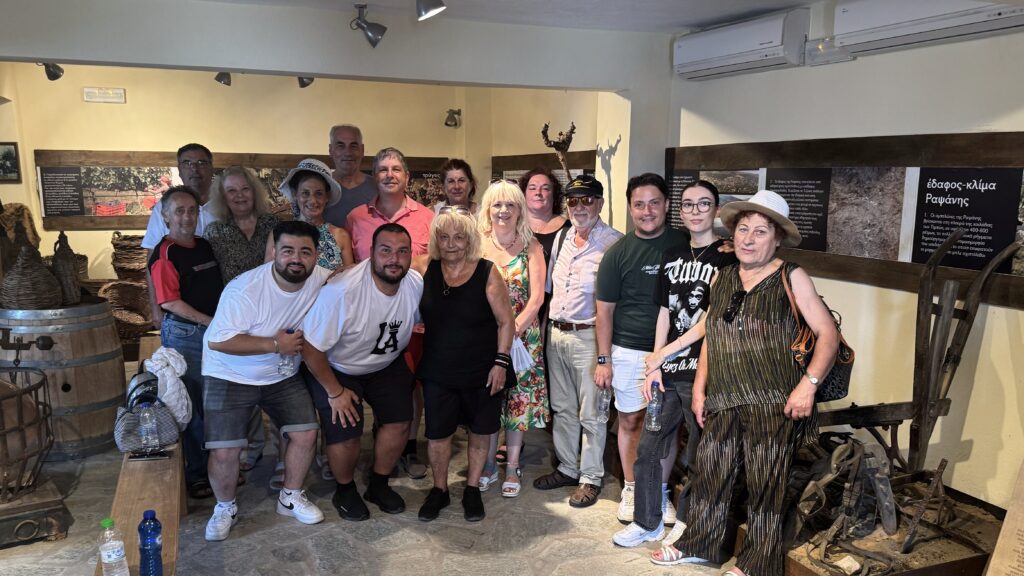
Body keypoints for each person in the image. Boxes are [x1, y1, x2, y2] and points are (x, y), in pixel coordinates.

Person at [652, 190, 839, 576]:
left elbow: (828, 334)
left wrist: (808, 385)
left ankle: (757, 563)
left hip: (774, 401)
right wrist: (700, 388)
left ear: (777, 238)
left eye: (760, 232)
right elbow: (714, 335)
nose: (748, 239)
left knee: (766, 484)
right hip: (724, 397)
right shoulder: (723, 277)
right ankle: (699, 543)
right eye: (743, 229)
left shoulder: (791, 276)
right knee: (710, 472)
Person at [613, 180, 737, 547]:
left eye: (704, 204)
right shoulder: (672, 254)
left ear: (716, 210)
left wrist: (665, 353)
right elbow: (664, 312)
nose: (696, 211)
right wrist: (655, 363)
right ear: (679, 211)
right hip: (667, 371)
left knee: (698, 452)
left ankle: (686, 523)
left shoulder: (728, 258)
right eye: (688, 204)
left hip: (703, 371)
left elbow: (711, 320)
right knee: (649, 448)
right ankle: (647, 521)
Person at [201, 220, 330, 542]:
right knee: (225, 450)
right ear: (273, 252)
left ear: (316, 256)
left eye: (305, 252)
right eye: (287, 251)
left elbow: (350, 276)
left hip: (280, 374)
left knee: (305, 432)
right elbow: (218, 340)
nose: (296, 259)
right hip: (228, 372)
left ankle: (291, 496)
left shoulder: (321, 278)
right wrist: (274, 344)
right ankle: (224, 507)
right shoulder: (245, 289)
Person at [301, 223, 423, 520]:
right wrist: (335, 392)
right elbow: (311, 349)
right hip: (338, 367)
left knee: (400, 421)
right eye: (386, 250)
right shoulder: (342, 291)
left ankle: (378, 484)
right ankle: (345, 489)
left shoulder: (414, 282)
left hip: (385, 363)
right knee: (346, 432)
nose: (394, 259)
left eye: (402, 251)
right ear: (371, 253)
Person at [595, 173, 687, 525]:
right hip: (630, 350)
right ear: (631, 208)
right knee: (631, 421)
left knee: (665, 426)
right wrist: (603, 360)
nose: (647, 211)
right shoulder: (618, 254)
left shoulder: (684, 244)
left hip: (675, 351)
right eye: (639, 205)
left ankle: (658, 491)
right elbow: (604, 312)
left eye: (654, 203)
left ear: (666, 205)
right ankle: (633, 488)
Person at [413, 208, 515, 523]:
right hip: (438, 368)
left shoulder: (487, 271)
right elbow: (385, 269)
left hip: (482, 369)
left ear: (470, 240)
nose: (451, 244)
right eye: (444, 237)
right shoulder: (423, 267)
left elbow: (506, 321)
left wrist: (501, 362)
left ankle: (472, 488)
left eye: (458, 237)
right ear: (436, 240)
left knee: (480, 431)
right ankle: (439, 489)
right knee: (437, 433)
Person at [532, 175, 622, 508]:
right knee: (562, 408)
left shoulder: (614, 243)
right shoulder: (563, 238)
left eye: (587, 200)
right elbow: (550, 293)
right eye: (573, 201)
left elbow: (618, 304)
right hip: (557, 334)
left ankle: (590, 477)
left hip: (589, 337)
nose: (579, 207)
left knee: (592, 412)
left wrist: (605, 355)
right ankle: (568, 467)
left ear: (600, 203)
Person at [146, 185, 224, 500]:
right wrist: (209, 322)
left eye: (192, 210)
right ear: (165, 216)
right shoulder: (165, 253)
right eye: (179, 211)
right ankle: (197, 474)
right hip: (186, 335)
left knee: (214, 404)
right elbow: (169, 302)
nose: (187, 217)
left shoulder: (204, 246)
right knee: (191, 407)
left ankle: (218, 468)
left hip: (211, 332)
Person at [477, 180, 548, 498]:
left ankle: (513, 466)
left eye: (510, 205)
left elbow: (537, 298)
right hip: (485, 337)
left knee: (518, 403)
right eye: (497, 204)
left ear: (520, 210)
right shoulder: (478, 245)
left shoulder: (531, 246)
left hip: (522, 339)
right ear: (487, 209)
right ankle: (488, 463)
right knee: (488, 401)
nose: (503, 210)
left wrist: (513, 328)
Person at [143, 143, 216, 328]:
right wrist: (155, 307)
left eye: (201, 162)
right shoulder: (163, 208)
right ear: (179, 169)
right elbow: (152, 260)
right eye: (187, 163)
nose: (194, 168)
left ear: (211, 167)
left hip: (218, 312)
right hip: (183, 321)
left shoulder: (226, 204)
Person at [346, 147, 435, 262]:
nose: (390, 175)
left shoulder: (429, 218)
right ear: (375, 177)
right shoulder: (355, 218)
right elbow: (348, 267)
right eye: (383, 170)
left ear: (407, 177)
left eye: (396, 169)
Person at [272, 158, 354, 270]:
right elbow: (269, 276)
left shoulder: (340, 236)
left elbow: (350, 278)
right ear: (295, 194)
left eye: (319, 193)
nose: (312, 201)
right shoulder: (278, 234)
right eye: (305, 193)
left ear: (327, 197)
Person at [204, 166, 280, 282]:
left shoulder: (274, 224)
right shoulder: (214, 231)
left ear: (254, 192)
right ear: (223, 197)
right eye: (231, 190)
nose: (240, 195)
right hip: (232, 293)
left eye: (245, 189)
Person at [322, 124, 378, 227]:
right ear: (330, 150)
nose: (347, 152)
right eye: (340, 146)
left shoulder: (378, 188)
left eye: (353, 146)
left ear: (362, 150)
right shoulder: (320, 187)